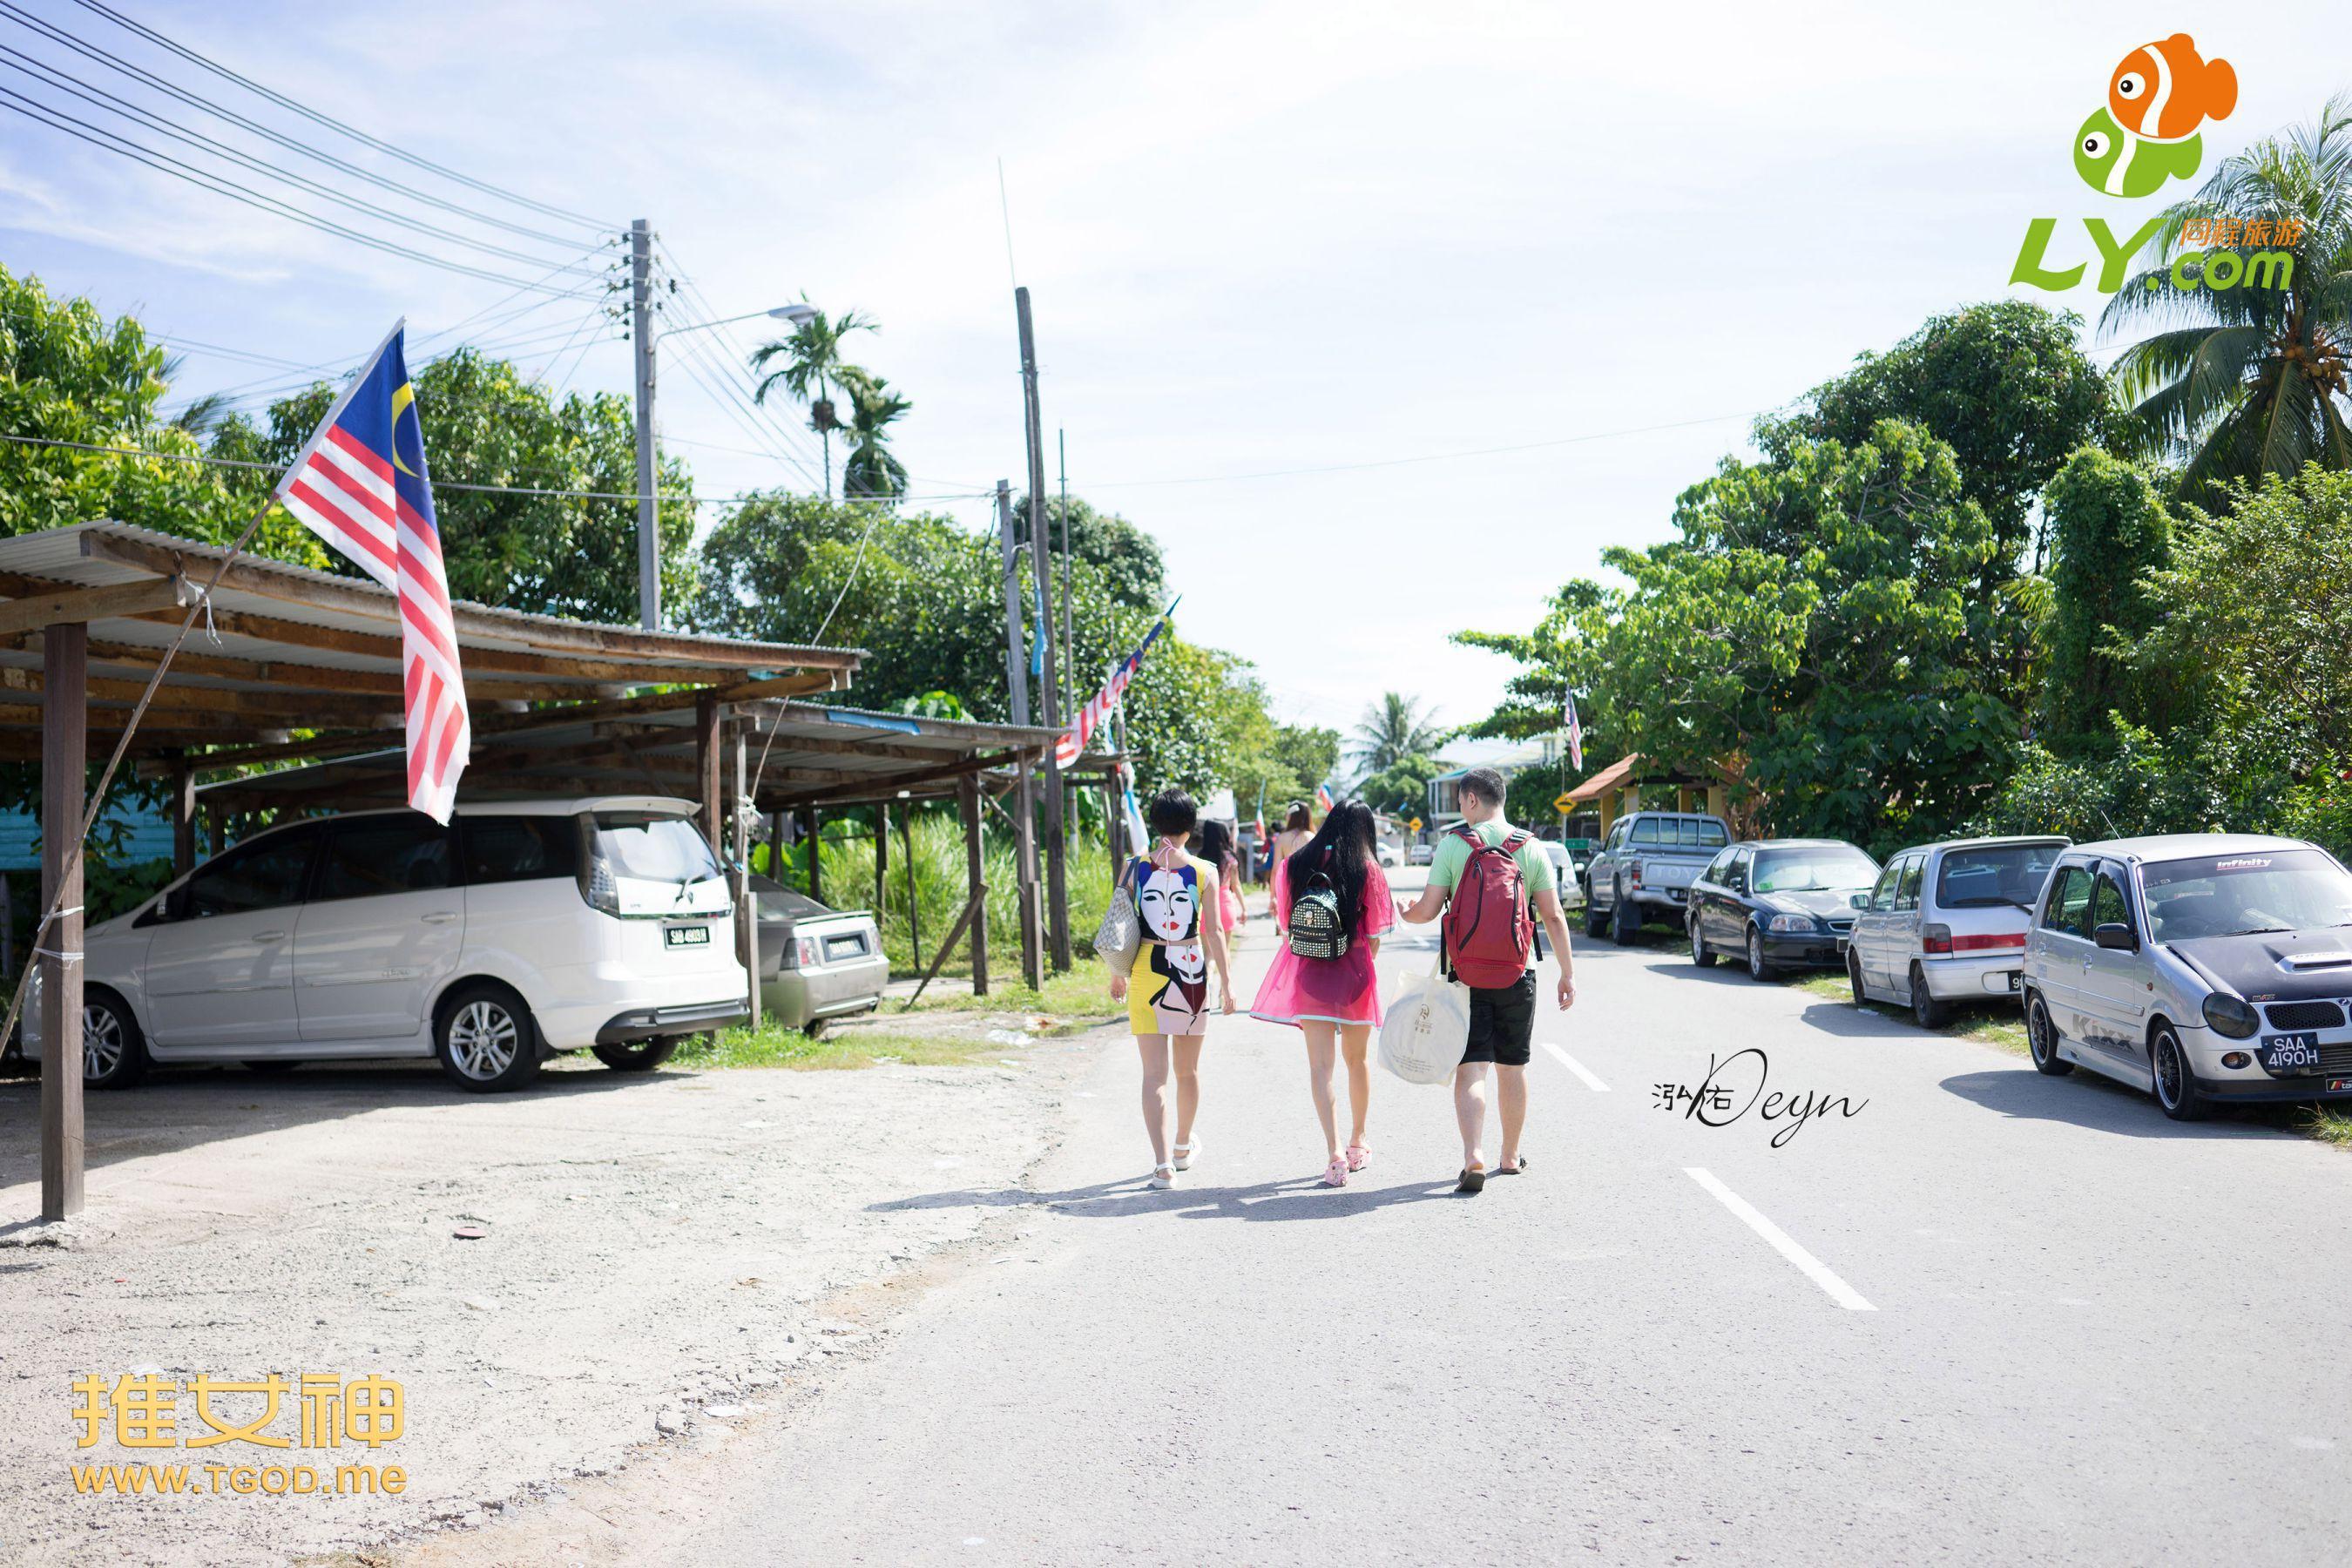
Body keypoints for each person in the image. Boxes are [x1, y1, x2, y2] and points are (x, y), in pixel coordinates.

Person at [1394, 767, 1576, 1193]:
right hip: (1519, 971)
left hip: (1466, 976)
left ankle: (1472, 1154)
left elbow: (1428, 909)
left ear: (1473, 800)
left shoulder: (1454, 846)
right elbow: (1552, 915)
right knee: (1513, 1066)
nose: (1460, 808)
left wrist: (1406, 912)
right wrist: (1567, 973)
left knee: (1472, 1066)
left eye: (1460, 800)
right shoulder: (1530, 847)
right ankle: (1510, 1156)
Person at [1251, 801, 1392, 1186]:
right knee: (1357, 1061)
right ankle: (1358, 1142)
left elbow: (1287, 925)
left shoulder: (1295, 864)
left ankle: (1333, 1155)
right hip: (1354, 976)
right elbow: (1376, 935)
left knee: (1320, 1067)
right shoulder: (1367, 868)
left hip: (1311, 975)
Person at [1107, 789, 1237, 1189]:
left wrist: (1116, 973)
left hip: (1145, 969)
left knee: (1154, 1076)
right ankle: (1182, 1146)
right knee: (1188, 1070)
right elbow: (1214, 930)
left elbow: (1119, 922)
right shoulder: (1204, 870)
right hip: (1190, 973)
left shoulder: (1133, 868)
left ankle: (1162, 1165)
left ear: (1155, 822)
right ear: (1190, 826)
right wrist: (1227, 985)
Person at [1199, 818, 1247, 938]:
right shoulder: (1230, 859)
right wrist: (1244, 909)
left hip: (1206, 908)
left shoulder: (1199, 859)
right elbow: (1236, 885)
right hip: (1226, 906)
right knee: (1225, 954)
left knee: (1208, 954)